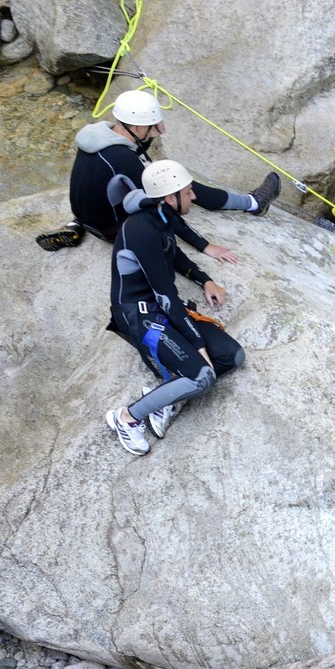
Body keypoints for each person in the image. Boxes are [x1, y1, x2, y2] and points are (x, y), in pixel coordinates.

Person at [104, 160, 246, 456]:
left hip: (163, 307)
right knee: (202, 376)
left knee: (233, 356)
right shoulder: (141, 229)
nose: (194, 196)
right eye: (188, 191)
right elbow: (165, 295)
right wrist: (197, 344)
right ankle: (127, 418)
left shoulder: (161, 215)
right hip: (139, 314)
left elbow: (173, 252)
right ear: (171, 197)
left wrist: (203, 279)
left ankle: (163, 396)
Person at [37, 89, 280, 252]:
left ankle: (74, 228)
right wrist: (204, 245)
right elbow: (162, 206)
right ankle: (252, 203)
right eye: (150, 126)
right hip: (110, 229)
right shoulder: (122, 159)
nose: (155, 129)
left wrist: (149, 136)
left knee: (100, 182)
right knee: (180, 184)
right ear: (138, 127)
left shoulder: (95, 133)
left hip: (82, 215)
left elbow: (129, 149)